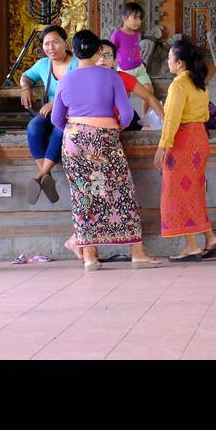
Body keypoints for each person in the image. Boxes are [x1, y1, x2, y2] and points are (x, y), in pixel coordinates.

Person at [52, 29, 161, 271]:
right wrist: (111, 129)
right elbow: (126, 113)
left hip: (74, 141)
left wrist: (76, 128)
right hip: (105, 140)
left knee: (84, 197)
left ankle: (90, 257)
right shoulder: (111, 76)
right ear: (98, 51)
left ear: (75, 49)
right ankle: (137, 253)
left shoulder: (66, 80)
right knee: (122, 194)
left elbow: (57, 119)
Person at [156, 39, 216, 261]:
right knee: (193, 190)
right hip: (199, 138)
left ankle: (192, 245)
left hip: (182, 140)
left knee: (178, 193)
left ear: (180, 62)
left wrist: (162, 146)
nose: (168, 61)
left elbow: (171, 119)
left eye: (170, 58)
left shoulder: (178, 85)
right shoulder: (199, 83)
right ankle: (209, 237)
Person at [19, 25, 79, 205]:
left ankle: (39, 176)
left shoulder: (77, 63)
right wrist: (25, 87)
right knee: (34, 126)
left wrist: (55, 102)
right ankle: (46, 177)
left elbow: (80, 89)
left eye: (55, 42)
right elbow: (25, 76)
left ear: (65, 43)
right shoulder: (43, 64)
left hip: (72, 111)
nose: (50, 47)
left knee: (60, 131)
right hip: (51, 112)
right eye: (46, 43)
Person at [93, 39, 166, 128]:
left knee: (134, 120)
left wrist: (166, 122)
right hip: (93, 126)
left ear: (114, 60)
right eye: (98, 54)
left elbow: (149, 97)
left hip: (120, 122)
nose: (102, 59)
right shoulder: (83, 78)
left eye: (107, 55)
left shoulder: (122, 77)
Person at [110, 1, 152, 94]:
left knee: (149, 91)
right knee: (125, 96)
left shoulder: (137, 34)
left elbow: (135, 50)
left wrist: (141, 60)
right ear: (124, 18)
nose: (138, 21)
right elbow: (111, 51)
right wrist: (111, 68)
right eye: (135, 18)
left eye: (140, 18)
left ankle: (146, 110)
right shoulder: (117, 34)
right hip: (125, 70)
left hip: (140, 68)